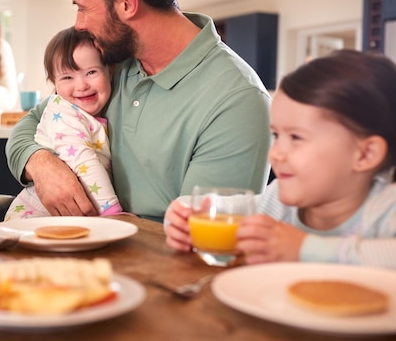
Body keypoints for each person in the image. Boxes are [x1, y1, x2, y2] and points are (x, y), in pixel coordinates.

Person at [5, 0, 271, 221]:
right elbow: (31, 123)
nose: (78, 24)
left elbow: (206, 234)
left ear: (127, 4)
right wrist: (42, 165)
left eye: (83, 8)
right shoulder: (111, 63)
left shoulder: (238, 101)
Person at [164, 50, 396, 269]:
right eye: (276, 135)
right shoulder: (278, 202)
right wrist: (183, 217)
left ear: (365, 154)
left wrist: (305, 248)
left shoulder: (387, 209)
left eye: (296, 137)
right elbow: (211, 207)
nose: (275, 153)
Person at [4, 27, 123, 220]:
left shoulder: (87, 115)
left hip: (68, 215)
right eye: (67, 77)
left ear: (110, 71)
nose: (81, 85)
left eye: (91, 72)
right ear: (54, 83)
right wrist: (113, 213)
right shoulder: (63, 113)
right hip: (36, 217)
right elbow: (83, 161)